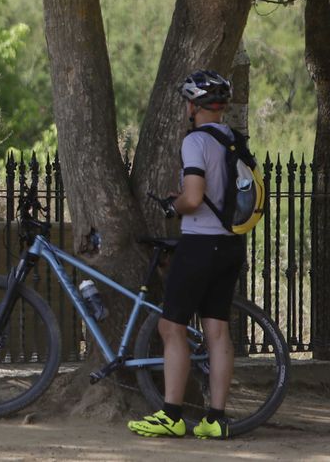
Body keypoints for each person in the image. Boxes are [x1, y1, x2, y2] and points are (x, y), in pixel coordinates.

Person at [129, 69, 244, 439]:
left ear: (193, 106)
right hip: (230, 245)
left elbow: (193, 198)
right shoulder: (234, 140)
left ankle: (171, 415)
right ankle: (216, 419)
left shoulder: (195, 142)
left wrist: (173, 205)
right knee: (217, 330)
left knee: (171, 326)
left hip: (199, 245)